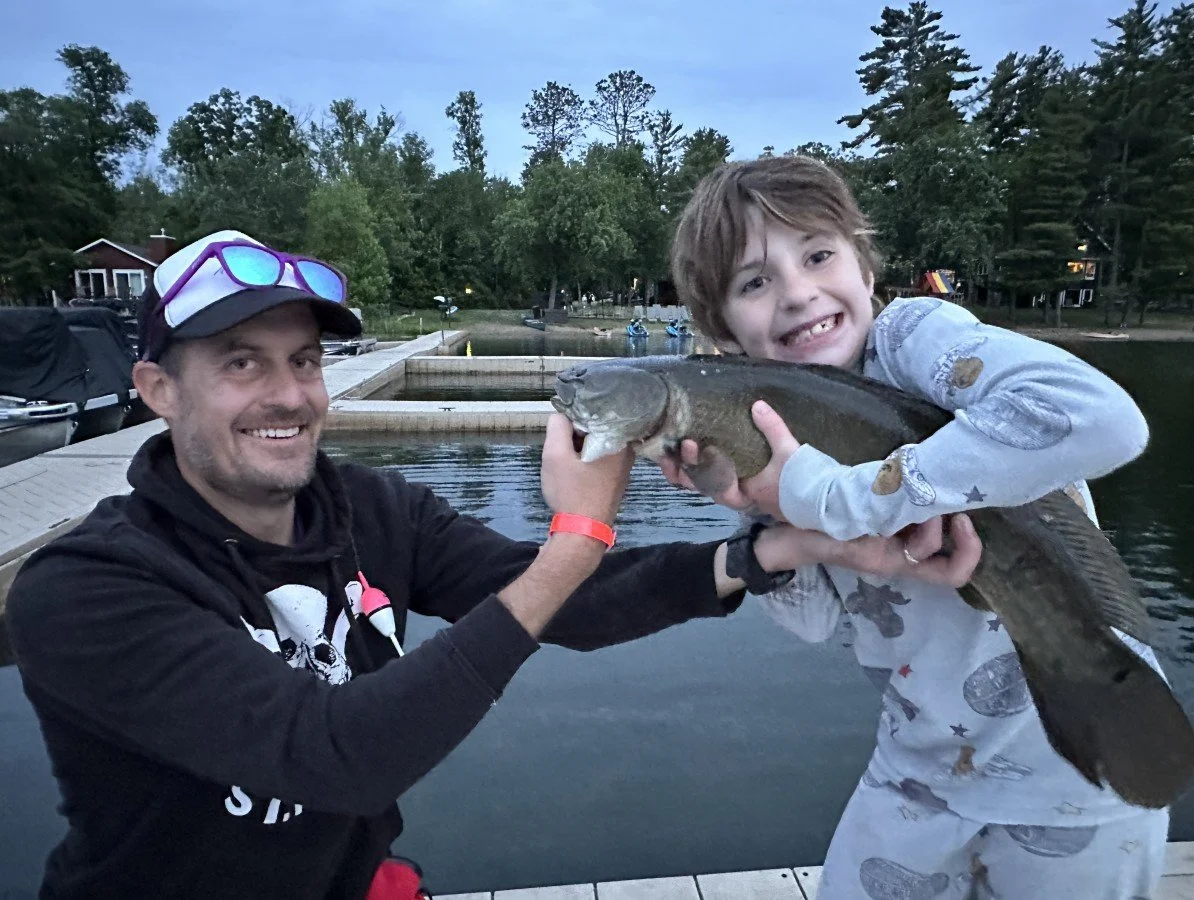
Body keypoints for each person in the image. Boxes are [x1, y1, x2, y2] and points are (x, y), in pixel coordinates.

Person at [5, 229, 979, 899]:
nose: (290, 393)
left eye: (302, 360)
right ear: (155, 391)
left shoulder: (367, 510)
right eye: (240, 362)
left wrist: (787, 545)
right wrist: (576, 538)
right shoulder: (87, 592)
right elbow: (335, 758)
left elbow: (579, 608)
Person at [665, 156, 1168, 899]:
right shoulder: (769, 432)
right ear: (723, 331)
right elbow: (808, 619)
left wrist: (841, 494)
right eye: (754, 282)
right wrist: (761, 503)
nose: (798, 294)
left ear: (866, 270)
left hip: (1076, 760)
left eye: (817, 254)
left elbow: (1104, 420)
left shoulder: (914, 339)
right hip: (918, 771)